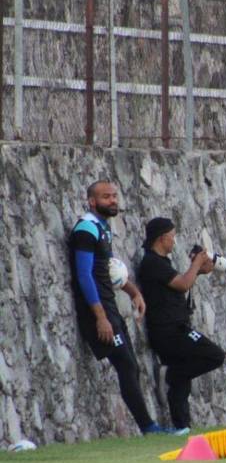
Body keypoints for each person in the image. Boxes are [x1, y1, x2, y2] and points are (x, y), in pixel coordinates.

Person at [68, 181, 166, 435]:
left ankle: (149, 426)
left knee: (131, 365)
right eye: (106, 197)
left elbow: (108, 269)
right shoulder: (86, 230)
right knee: (125, 364)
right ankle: (148, 427)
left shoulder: (102, 228)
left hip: (110, 308)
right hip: (97, 312)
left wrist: (134, 292)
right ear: (92, 201)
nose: (113, 200)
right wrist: (100, 317)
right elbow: (85, 276)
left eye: (114, 196)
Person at [137, 218, 226, 433]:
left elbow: (180, 285)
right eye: (173, 236)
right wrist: (195, 264)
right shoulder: (152, 263)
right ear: (162, 238)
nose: (174, 241)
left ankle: (181, 426)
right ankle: (169, 373)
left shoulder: (162, 263)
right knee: (214, 355)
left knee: (182, 379)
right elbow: (183, 284)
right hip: (169, 331)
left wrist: (199, 270)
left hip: (175, 327)